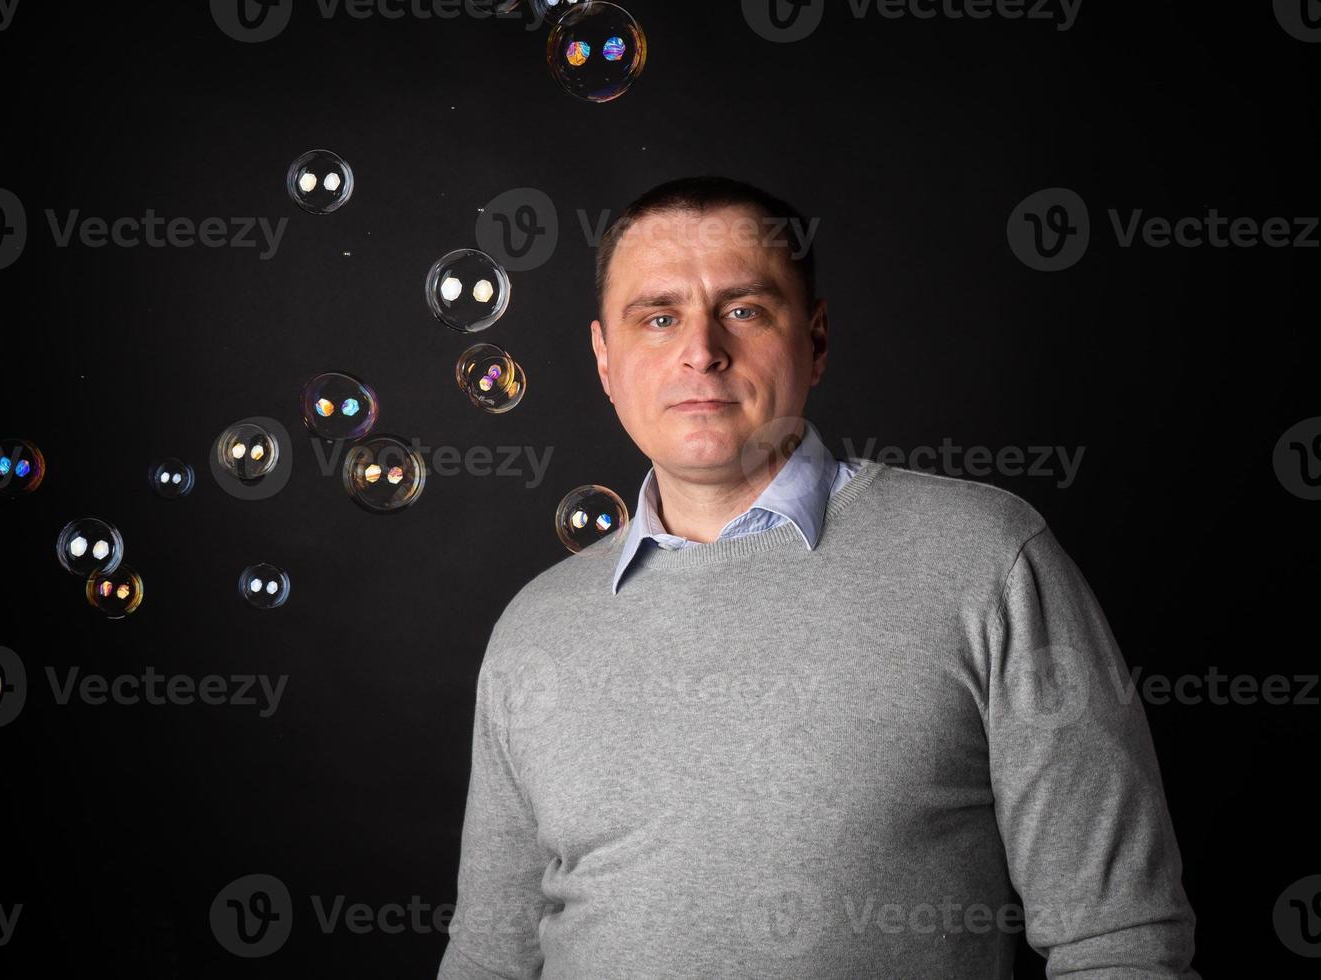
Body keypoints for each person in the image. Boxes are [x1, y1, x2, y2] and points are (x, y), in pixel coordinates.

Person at [437, 175, 1199, 978]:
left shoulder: (987, 561)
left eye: (744, 310)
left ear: (819, 340)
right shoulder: (536, 624)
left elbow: (1120, 944)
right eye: (658, 318)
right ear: (604, 359)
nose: (701, 350)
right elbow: (490, 958)